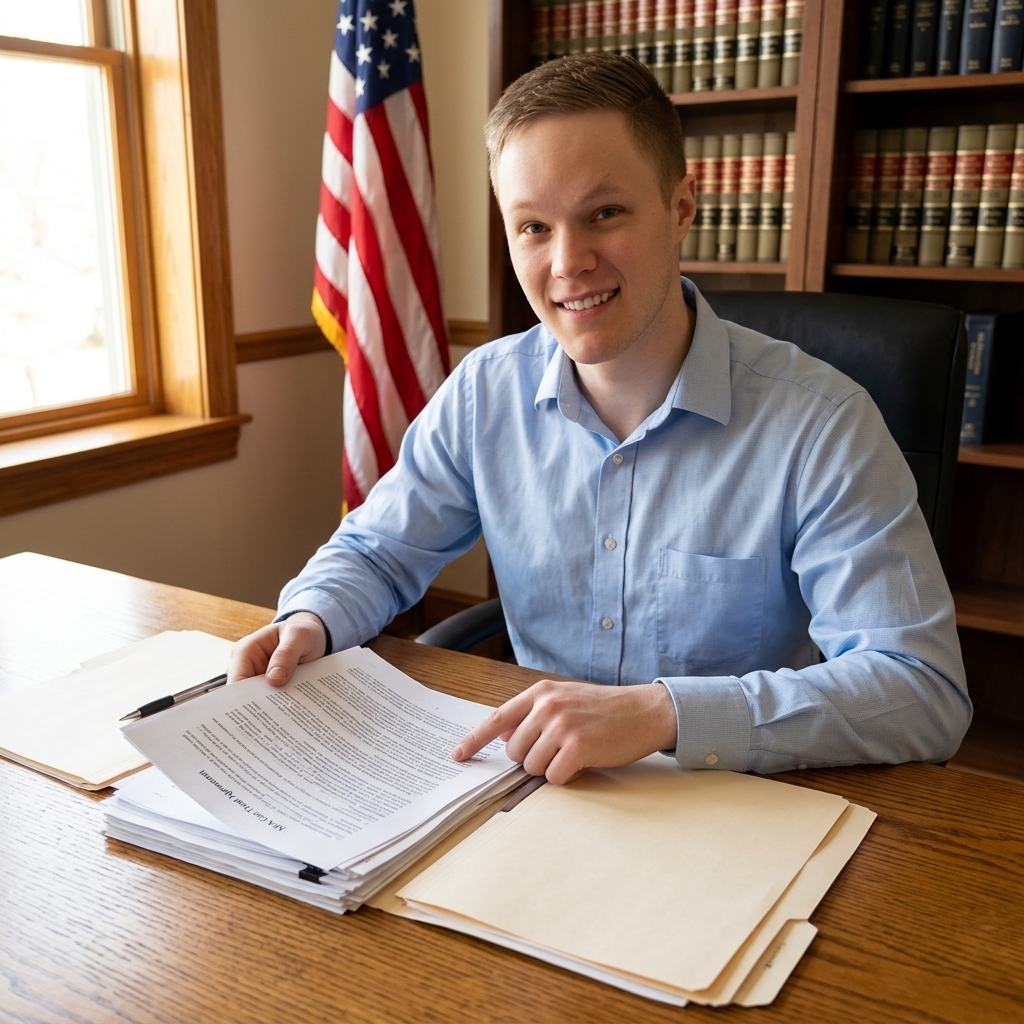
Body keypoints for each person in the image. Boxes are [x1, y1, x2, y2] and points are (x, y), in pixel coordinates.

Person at [228, 53, 971, 784]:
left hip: (735, 799)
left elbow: (921, 688)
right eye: (533, 227)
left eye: (604, 214)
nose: (567, 262)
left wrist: (665, 713)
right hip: (535, 783)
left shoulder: (823, 424)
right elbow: (377, 550)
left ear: (681, 207)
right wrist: (312, 619)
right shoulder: (485, 392)